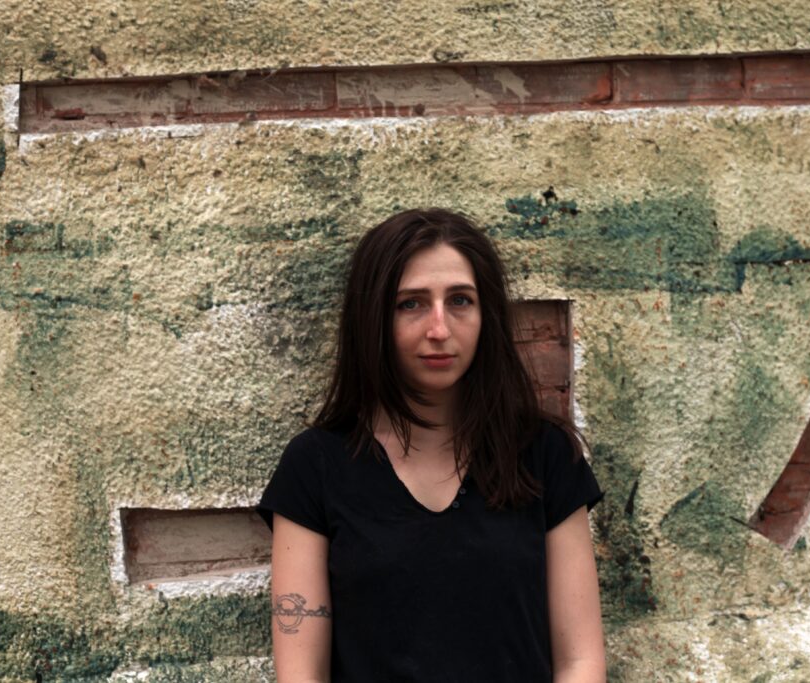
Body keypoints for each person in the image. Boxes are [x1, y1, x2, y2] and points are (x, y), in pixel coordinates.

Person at [257, 208, 606, 682]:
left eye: (460, 300)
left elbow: (581, 662)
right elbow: (301, 674)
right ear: (373, 319)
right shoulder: (315, 466)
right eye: (411, 304)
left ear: (486, 315)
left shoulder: (544, 455)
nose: (439, 329)